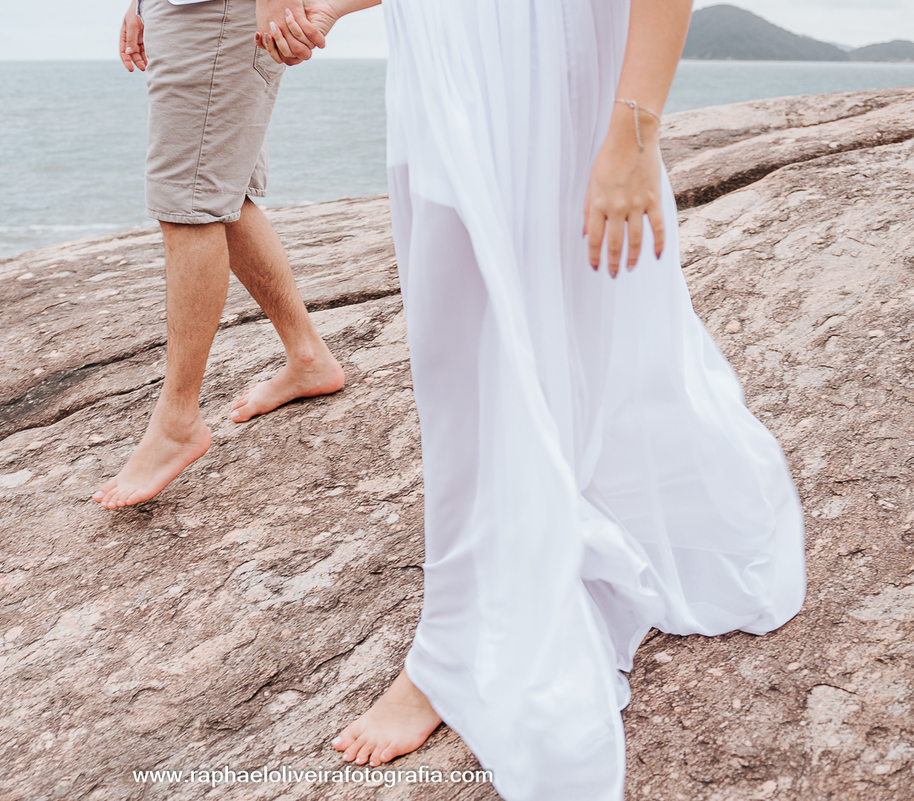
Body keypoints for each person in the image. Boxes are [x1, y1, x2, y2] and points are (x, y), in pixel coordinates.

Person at [261, 1, 807, 798]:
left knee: (550, 335)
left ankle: (448, 651)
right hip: (450, 73)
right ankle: (517, 559)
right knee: (458, 356)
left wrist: (634, 133)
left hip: (548, 73)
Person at [92, 0, 346, 509]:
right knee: (219, 191)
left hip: (219, 10)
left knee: (189, 204)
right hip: (188, 9)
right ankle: (308, 356)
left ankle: (178, 423)